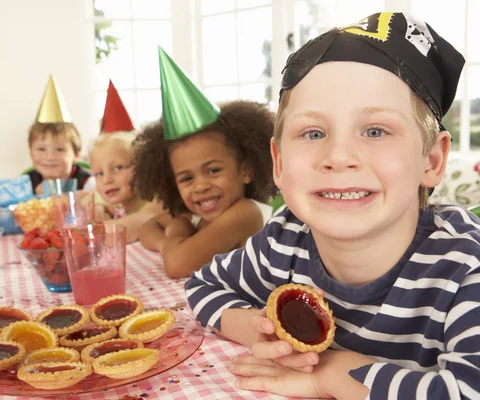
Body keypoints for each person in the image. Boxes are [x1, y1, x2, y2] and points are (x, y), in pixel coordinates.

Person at [185, 12, 474, 399]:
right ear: (280, 163)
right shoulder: (282, 243)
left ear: (432, 161)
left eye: (375, 130)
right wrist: (259, 328)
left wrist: (332, 373)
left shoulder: (464, 270)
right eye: (313, 132)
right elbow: (203, 285)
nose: (338, 156)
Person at [133, 47, 277, 278]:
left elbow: (177, 265)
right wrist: (168, 242)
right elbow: (147, 228)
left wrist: (178, 231)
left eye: (213, 170)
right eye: (187, 178)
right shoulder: (200, 211)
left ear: (246, 170)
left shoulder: (246, 213)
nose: (200, 186)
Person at [89, 80, 163, 242]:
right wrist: (99, 208)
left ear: (142, 167)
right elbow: (86, 197)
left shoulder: (156, 200)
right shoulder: (116, 196)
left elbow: (120, 232)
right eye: (99, 173)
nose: (107, 179)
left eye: (117, 168)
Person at [26, 75, 90, 194]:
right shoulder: (25, 184)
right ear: (31, 153)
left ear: (76, 155)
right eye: (41, 149)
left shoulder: (88, 183)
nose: (50, 157)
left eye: (59, 149)